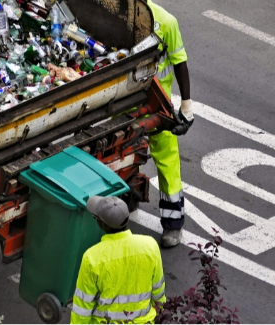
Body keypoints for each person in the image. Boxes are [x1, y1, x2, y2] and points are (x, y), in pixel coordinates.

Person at [70, 196, 166, 324]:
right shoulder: (150, 246)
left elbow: (82, 308)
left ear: (102, 224)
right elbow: (158, 293)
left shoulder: (92, 258)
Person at [146, 0, 193, 248]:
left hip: (156, 103)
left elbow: (179, 63)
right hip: (124, 99)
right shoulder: (117, 17)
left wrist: (186, 107)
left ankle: (173, 224)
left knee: (167, 162)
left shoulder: (166, 22)